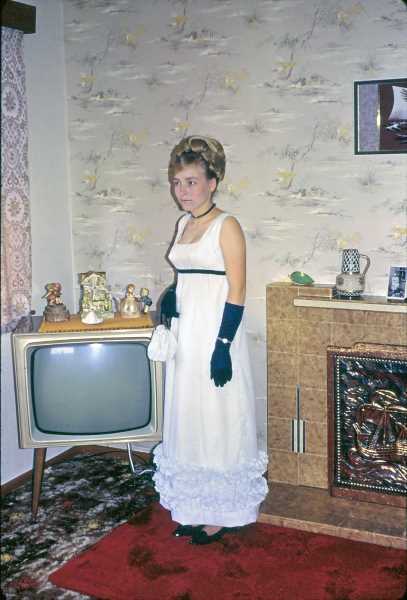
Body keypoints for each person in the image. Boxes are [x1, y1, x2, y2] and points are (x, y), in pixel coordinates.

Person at [153, 135, 268, 545]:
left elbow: (237, 289)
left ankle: (225, 512)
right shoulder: (184, 224)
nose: (182, 190)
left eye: (191, 182)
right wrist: (171, 296)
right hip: (186, 332)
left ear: (212, 182)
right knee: (190, 413)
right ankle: (194, 506)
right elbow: (189, 276)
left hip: (217, 333)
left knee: (219, 415)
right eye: (177, 182)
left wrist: (222, 347)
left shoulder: (227, 225)